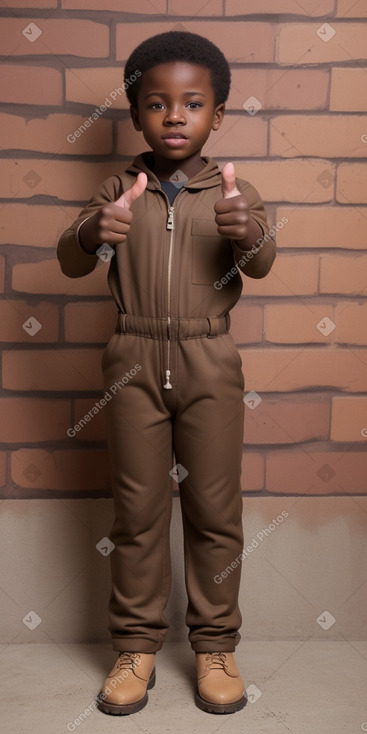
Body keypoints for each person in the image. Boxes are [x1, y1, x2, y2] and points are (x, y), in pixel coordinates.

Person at [57, 30, 276, 716]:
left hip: (210, 358)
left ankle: (215, 643)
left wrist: (249, 233)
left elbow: (262, 261)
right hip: (132, 358)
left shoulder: (234, 193)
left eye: (192, 103)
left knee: (215, 510)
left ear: (216, 114)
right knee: (137, 511)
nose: (174, 115)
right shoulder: (119, 187)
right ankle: (137, 647)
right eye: (156, 103)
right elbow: (68, 258)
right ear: (135, 114)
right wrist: (94, 231)